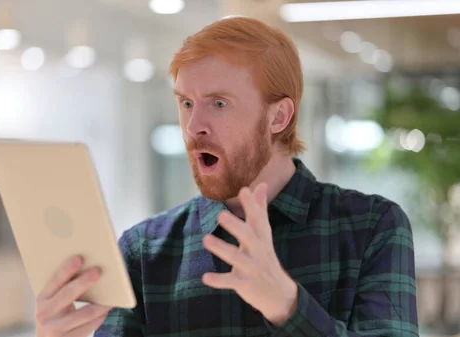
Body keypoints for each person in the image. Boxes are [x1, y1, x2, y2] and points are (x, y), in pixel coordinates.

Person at [35, 16, 419, 337]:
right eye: (186, 103)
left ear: (278, 117)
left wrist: (287, 306)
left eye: (218, 103)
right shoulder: (143, 252)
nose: (192, 126)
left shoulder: (372, 227)